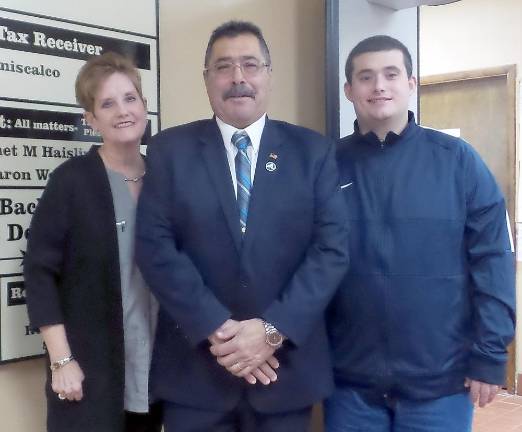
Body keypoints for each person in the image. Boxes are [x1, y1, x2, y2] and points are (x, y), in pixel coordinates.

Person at [136, 20, 349, 432]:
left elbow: (331, 250)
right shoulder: (169, 151)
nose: (238, 78)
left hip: (284, 373)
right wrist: (218, 329)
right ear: (206, 79)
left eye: (250, 65)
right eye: (224, 67)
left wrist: (272, 331)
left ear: (268, 75)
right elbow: (155, 247)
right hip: (196, 374)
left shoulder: (313, 152)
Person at [326, 35, 516, 432]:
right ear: (348, 90)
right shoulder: (325, 166)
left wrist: (490, 354)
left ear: (411, 84)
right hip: (350, 386)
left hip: (441, 385)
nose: (379, 85)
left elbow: (494, 259)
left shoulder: (458, 161)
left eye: (391, 74)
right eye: (365, 76)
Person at [24, 52, 162, 432]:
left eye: (130, 98)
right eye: (107, 103)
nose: (123, 110)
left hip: (155, 378)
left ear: (144, 106)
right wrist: (61, 361)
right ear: (91, 120)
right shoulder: (71, 182)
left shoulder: (164, 179)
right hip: (88, 378)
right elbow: (38, 275)